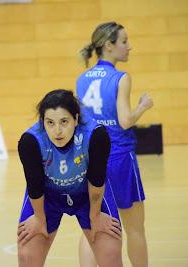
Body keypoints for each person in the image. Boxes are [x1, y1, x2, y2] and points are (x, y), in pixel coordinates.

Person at [76, 21, 154, 267]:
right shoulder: (120, 78)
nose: (129, 47)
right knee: (135, 228)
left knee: (91, 228)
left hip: (90, 160)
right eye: (124, 41)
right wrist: (142, 106)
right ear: (108, 46)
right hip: (119, 157)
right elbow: (125, 120)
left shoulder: (82, 79)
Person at [17, 89, 123, 267]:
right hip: (47, 196)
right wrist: (39, 218)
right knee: (27, 254)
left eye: (64, 122)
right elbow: (34, 185)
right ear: (43, 121)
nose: (57, 130)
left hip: (88, 193)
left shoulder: (96, 135)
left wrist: (95, 216)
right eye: (50, 123)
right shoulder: (30, 141)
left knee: (110, 252)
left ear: (76, 119)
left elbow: (96, 180)